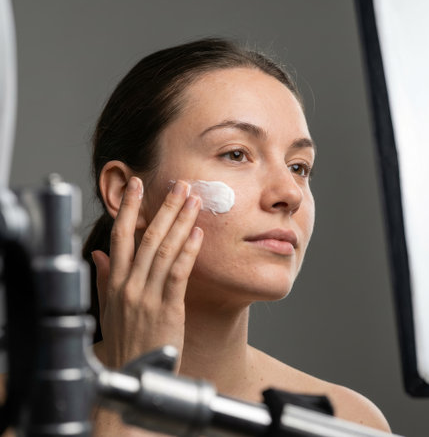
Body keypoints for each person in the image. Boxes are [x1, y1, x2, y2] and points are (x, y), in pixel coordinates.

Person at [81, 37, 391, 436]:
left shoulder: (344, 423)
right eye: (236, 154)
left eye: (299, 166)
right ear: (126, 193)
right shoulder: (19, 404)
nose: (290, 194)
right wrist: (131, 395)